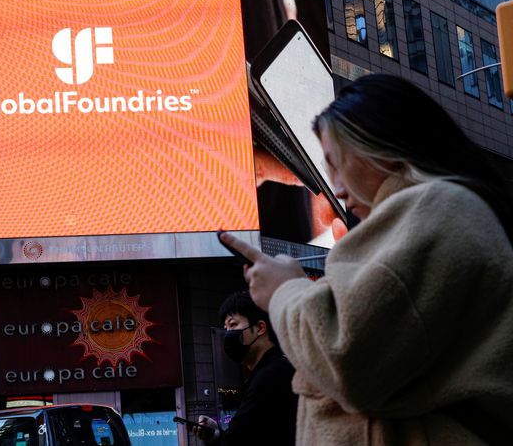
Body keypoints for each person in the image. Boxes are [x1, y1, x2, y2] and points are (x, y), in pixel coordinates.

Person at [220, 74, 513, 444]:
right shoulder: (442, 213)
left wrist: (285, 291)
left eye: (337, 163)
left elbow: (347, 359)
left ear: (383, 147)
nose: (337, 189)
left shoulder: (438, 210)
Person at [191, 291, 297, 445]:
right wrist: (216, 435)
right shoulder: (275, 369)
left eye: (233, 325)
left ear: (260, 328)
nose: (228, 334)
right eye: (226, 328)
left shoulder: (270, 376)